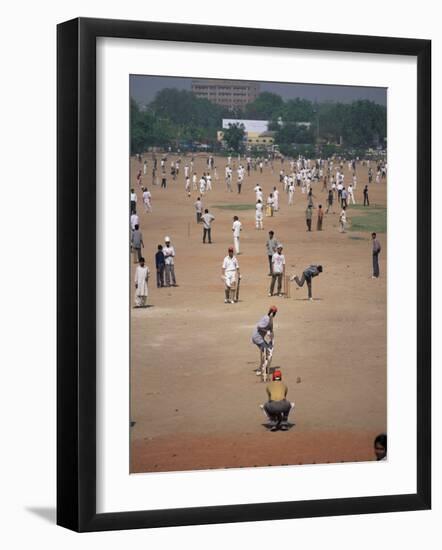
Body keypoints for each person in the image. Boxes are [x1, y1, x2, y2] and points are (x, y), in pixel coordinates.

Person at [251, 306, 277, 374]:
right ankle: (260, 369)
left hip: (260, 337)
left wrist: (272, 339)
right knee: (266, 352)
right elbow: (259, 327)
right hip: (257, 337)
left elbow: (271, 329)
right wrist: (267, 331)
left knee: (267, 351)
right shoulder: (266, 319)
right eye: (272, 312)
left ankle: (263, 368)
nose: (272, 314)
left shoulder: (270, 319)